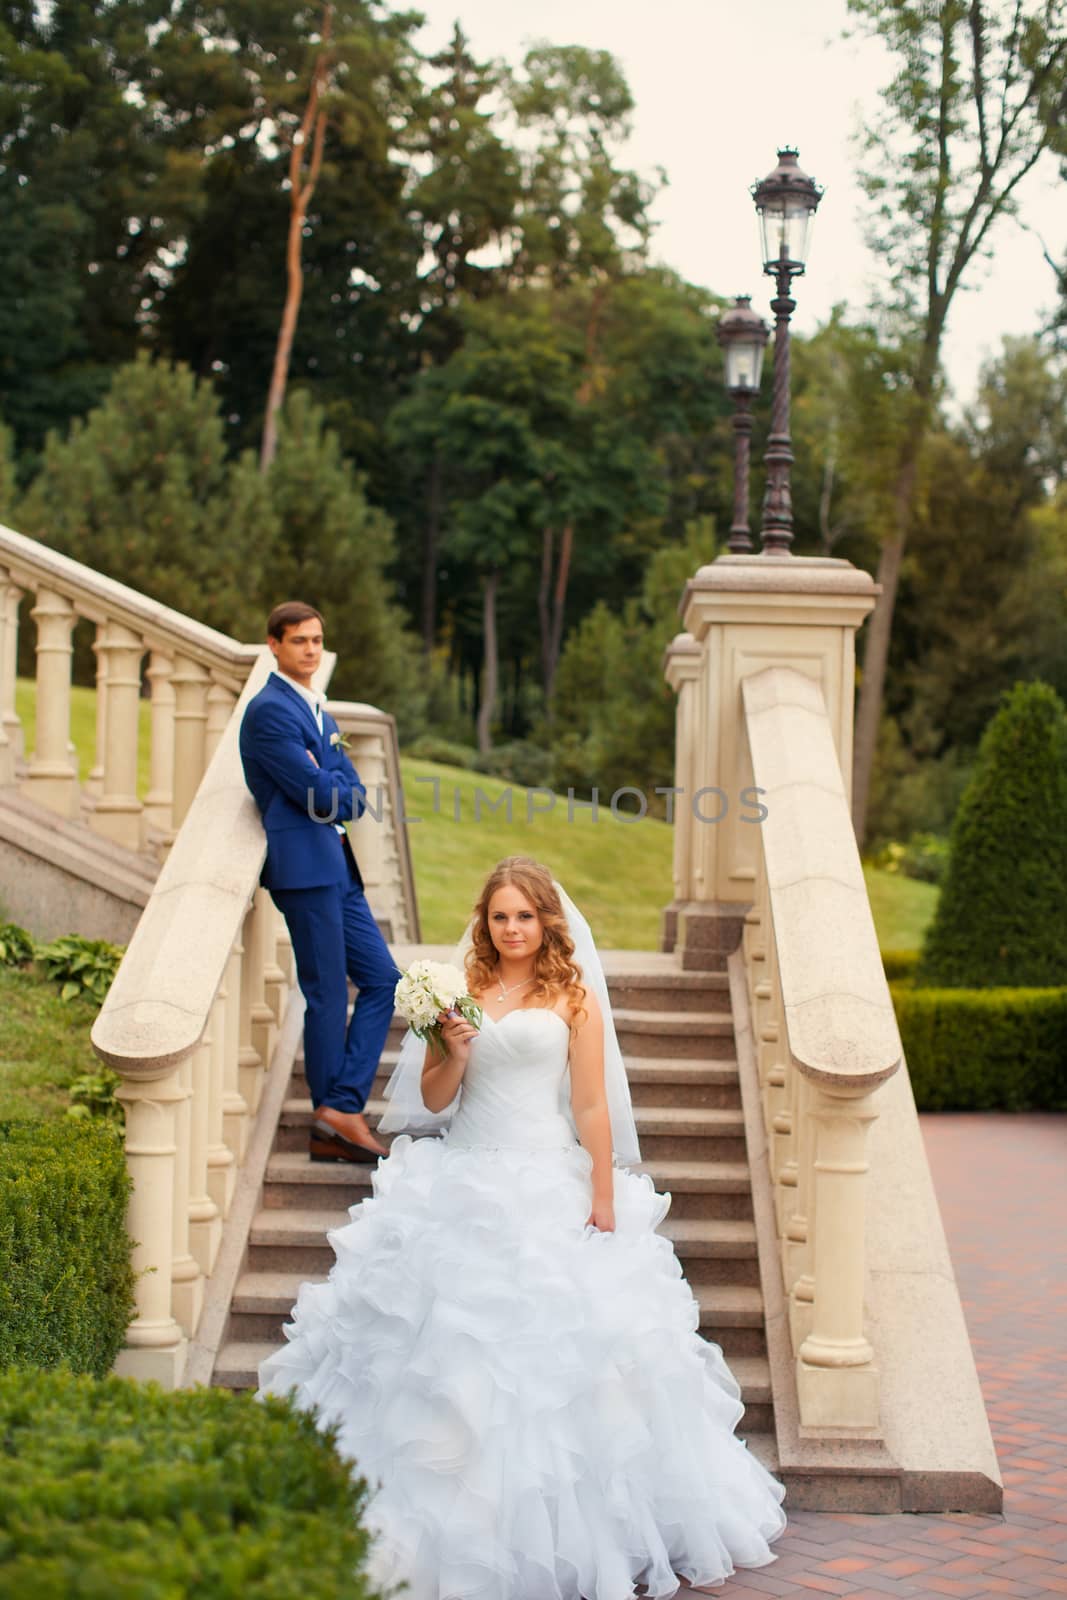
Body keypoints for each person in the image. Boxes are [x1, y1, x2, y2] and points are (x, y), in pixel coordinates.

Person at [258, 856, 786, 1598]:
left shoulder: (573, 999)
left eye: (524, 917)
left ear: (546, 924)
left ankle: (562, 1532)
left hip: (544, 1178)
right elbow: (436, 1100)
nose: (511, 929)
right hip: (462, 1178)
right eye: (499, 916)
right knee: (440, 1347)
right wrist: (454, 1048)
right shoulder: (461, 994)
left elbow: (592, 1107)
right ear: (486, 923)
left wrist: (602, 1193)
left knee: (563, 1357)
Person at [239, 601, 398, 1164]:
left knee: (383, 979)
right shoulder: (270, 712)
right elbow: (322, 795)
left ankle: (341, 1106)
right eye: (299, 640)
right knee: (327, 993)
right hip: (304, 871)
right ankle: (333, 1115)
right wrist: (329, 782)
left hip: (338, 868)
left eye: (316, 640)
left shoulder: (319, 713)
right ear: (274, 645)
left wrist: (327, 774)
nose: (310, 649)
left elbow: (352, 798)